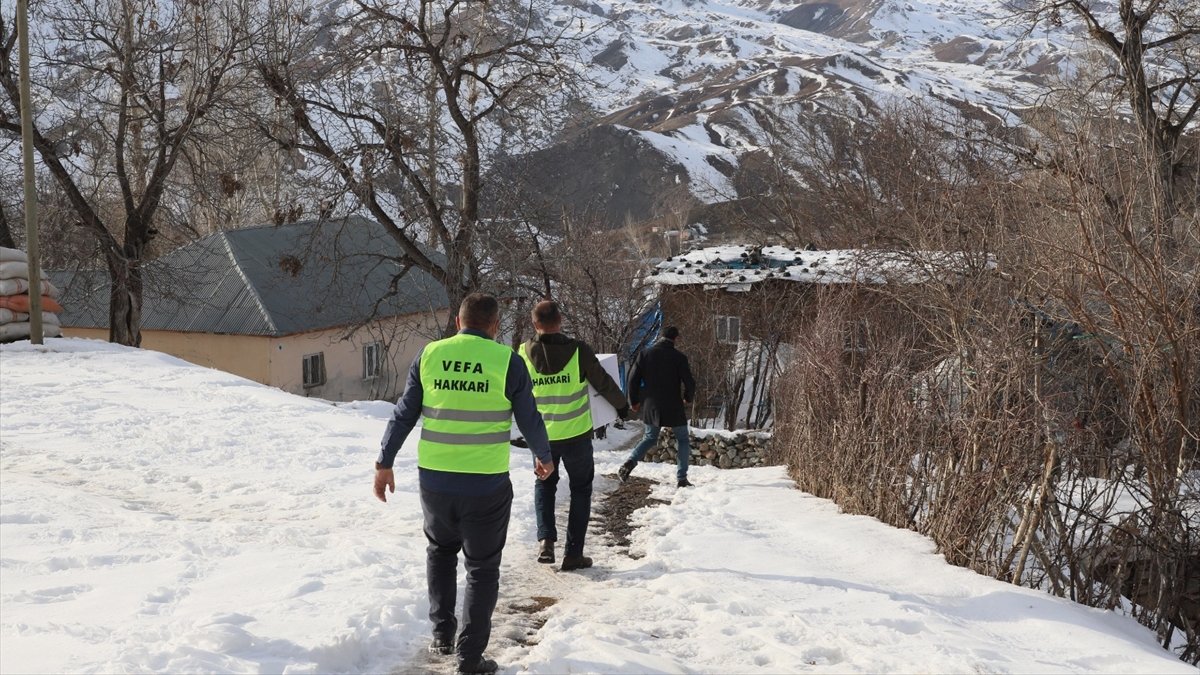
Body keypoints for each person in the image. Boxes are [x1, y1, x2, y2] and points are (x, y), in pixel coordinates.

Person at [374, 293, 554, 675]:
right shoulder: (507, 361)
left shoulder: (430, 355)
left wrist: (384, 462)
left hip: (435, 482)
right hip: (485, 484)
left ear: (458, 322)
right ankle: (469, 659)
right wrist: (543, 454)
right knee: (482, 568)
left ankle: (442, 634)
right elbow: (529, 415)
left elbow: (405, 412)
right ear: (493, 326)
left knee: (440, 552)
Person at [518, 299, 630, 571]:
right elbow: (602, 382)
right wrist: (622, 407)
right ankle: (573, 553)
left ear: (535, 324)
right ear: (561, 321)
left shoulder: (522, 353)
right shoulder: (578, 351)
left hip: (541, 437)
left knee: (544, 485)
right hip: (576, 436)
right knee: (581, 490)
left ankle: (546, 540)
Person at [617, 325, 697, 488]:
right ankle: (681, 478)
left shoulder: (645, 354)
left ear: (661, 337)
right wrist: (687, 397)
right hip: (673, 404)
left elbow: (632, 379)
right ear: (676, 339)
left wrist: (634, 401)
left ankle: (629, 464)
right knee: (682, 440)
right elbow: (690, 382)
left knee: (649, 438)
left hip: (651, 405)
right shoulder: (679, 357)